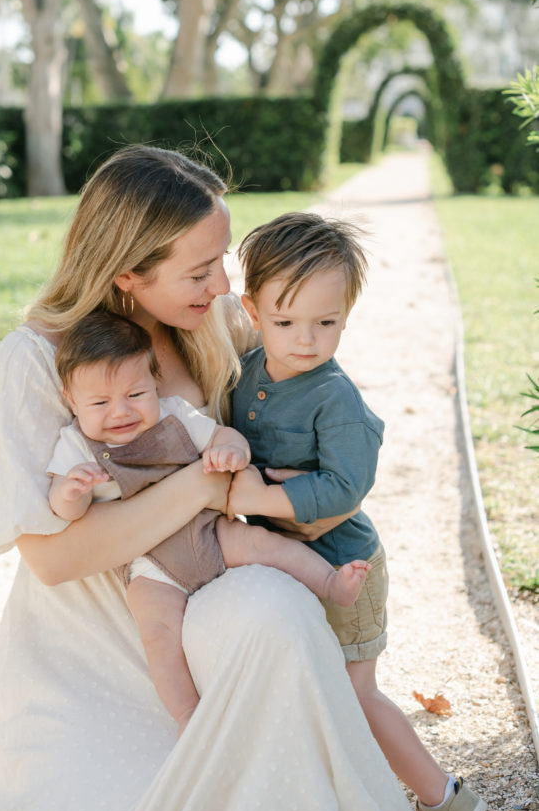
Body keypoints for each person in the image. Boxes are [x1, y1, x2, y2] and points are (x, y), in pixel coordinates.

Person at [0, 145, 413, 811]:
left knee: (279, 616)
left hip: (206, 600)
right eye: (200, 269)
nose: (220, 284)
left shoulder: (214, 323)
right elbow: (54, 557)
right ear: (128, 272)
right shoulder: (33, 360)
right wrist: (205, 488)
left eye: (221, 262)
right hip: (92, 644)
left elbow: (313, 396)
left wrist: (328, 481)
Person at [228, 211, 487, 811]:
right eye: (285, 321)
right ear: (251, 309)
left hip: (347, 566)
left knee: (356, 692)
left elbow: (346, 487)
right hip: (287, 567)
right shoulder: (246, 374)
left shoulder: (334, 396)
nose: (306, 339)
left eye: (327, 322)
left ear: (347, 313)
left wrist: (257, 498)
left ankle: (446, 798)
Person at [48, 310, 370, 736]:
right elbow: (61, 508)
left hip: (208, 531)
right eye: (100, 403)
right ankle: (188, 717)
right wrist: (73, 491)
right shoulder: (74, 444)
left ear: (155, 384)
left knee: (262, 544)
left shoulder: (174, 415)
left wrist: (231, 451)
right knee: (158, 631)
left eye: (136, 393)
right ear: (72, 400)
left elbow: (220, 436)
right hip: (151, 563)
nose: (121, 412)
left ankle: (331, 584)